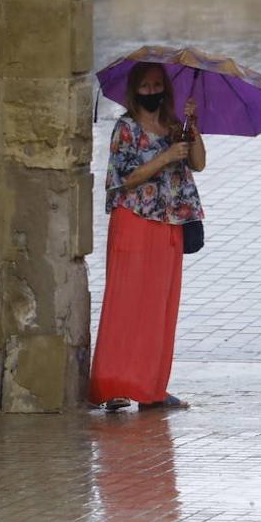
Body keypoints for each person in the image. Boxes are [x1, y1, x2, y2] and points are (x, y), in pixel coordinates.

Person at [89, 61, 207, 412]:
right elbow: (123, 178)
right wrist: (165, 156)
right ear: (134, 90)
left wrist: (193, 128)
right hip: (134, 222)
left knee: (160, 307)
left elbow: (198, 163)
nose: (152, 91)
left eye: (158, 85)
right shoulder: (125, 128)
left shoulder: (174, 125)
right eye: (146, 86)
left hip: (169, 225)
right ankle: (113, 385)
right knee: (126, 303)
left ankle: (152, 387)